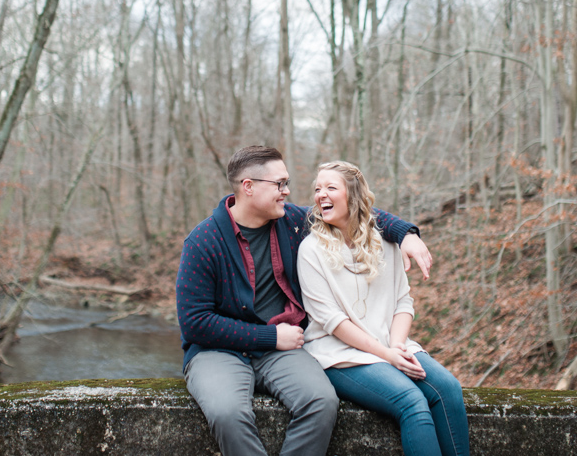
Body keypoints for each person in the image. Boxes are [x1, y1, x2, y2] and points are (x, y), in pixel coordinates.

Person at [175, 146, 432, 456]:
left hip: (283, 351)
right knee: (229, 413)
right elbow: (195, 324)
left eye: (287, 183)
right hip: (218, 351)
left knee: (321, 402)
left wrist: (406, 234)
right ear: (248, 187)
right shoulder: (203, 240)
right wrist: (269, 336)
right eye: (279, 184)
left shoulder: (293, 221)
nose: (287, 192)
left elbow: (356, 212)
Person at [298, 160, 469, 456]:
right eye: (317, 189)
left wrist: (397, 345)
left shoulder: (386, 241)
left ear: (353, 195)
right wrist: (387, 355)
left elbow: (403, 301)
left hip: (392, 342)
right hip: (340, 353)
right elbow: (333, 322)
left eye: (330, 188)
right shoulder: (310, 250)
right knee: (411, 402)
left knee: (449, 390)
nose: (320, 195)